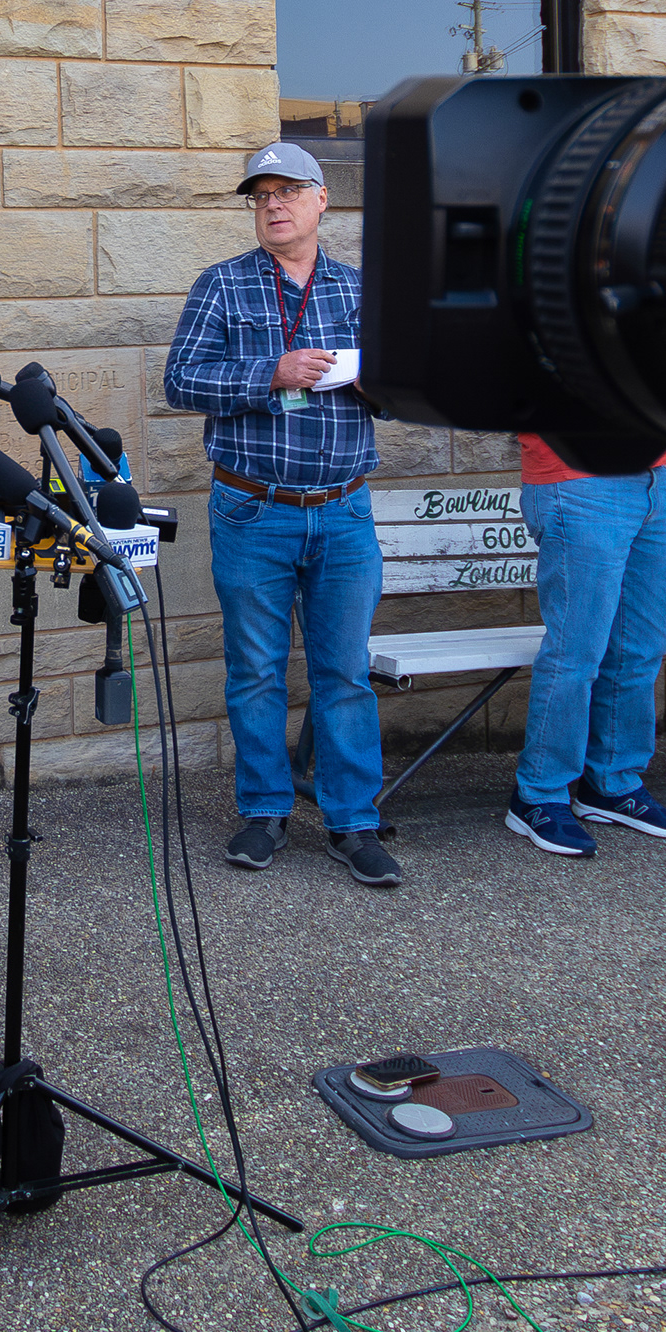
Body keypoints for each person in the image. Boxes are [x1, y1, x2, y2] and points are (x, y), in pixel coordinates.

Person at [161, 141, 396, 887]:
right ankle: (263, 812)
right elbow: (181, 379)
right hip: (252, 509)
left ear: (323, 200)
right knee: (257, 671)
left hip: (343, 513)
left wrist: (375, 382)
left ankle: (354, 822)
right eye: (261, 195)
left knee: (345, 673)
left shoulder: (360, 291)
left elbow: (403, 392)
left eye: (289, 191)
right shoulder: (223, 287)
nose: (274, 205)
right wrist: (272, 372)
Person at [502, 436, 666, 857]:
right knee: (576, 650)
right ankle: (539, 794)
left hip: (652, 477)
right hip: (578, 478)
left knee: (642, 642)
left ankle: (611, 784)